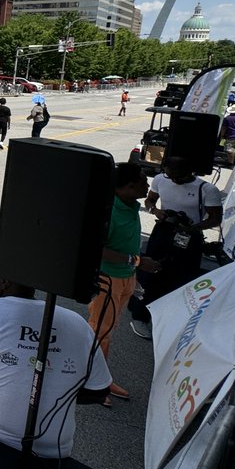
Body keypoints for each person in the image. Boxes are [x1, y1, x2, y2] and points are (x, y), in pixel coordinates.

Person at [0, 256, 111, 459]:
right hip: (54, 450)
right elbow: (99, 392)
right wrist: (50, 393)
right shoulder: (77, 323)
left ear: (4, 282)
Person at [130, 156, 223, 338]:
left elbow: (215, 218)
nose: (173, 180)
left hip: (190, 235)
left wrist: (192, 227)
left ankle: (172, 319)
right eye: (169, 175)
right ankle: (139, 316)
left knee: (182, 277)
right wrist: (157, 211)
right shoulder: (160, 180)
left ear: (190, 171)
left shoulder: (207, 189)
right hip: (163, 231)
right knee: (149, 272)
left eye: (178, 176)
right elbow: (149, 201)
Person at [88, 164, 149, 405]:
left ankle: (94, 375)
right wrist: (136, 261)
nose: (148, 185)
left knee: (108, 328)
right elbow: (98, 249)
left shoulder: (131, 206)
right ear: (129, 186)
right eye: (144, 181)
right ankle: (94, 383)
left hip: (126, 278)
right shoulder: (110, 211)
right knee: (100, 331)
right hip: (108, 279)